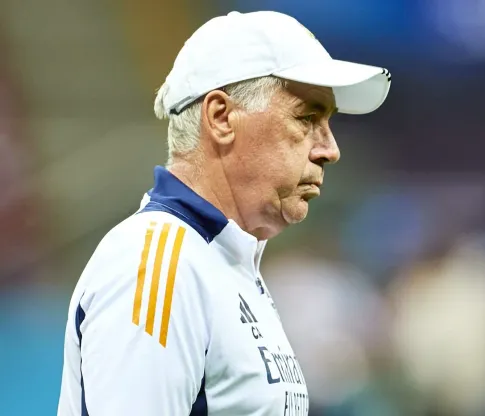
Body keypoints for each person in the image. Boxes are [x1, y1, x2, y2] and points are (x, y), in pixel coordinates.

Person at [57, 10, 390, 416]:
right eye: (306, 118)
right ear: (220, 117)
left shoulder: (220, 262)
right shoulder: (158, 262)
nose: (329, 149)